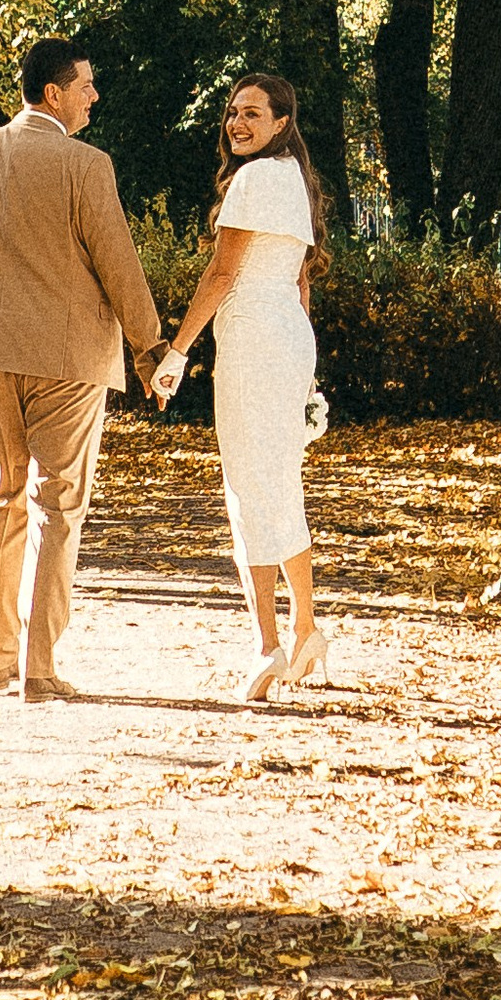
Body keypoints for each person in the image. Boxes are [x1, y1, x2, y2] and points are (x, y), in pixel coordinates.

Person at [0, 36, 164, 702]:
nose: (95, 96)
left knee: (4, 498)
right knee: (57, 504)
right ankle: (39, 667)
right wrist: (151, 350)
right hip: (67, 358)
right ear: (54, 92)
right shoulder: (85, 165)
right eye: (86, 86)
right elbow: (118, 263)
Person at [151, 72, 327, 698]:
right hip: (286, 334)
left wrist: (175, 352)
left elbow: (222, 275)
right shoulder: (295, 182)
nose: (238, 123)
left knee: (251, 483)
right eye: (232, 113)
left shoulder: (254, 179)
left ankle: (269, 645)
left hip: (255, 336)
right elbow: (301, 284)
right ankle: (303, 627)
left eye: (253, 113)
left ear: (282, 122)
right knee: (279, 478)